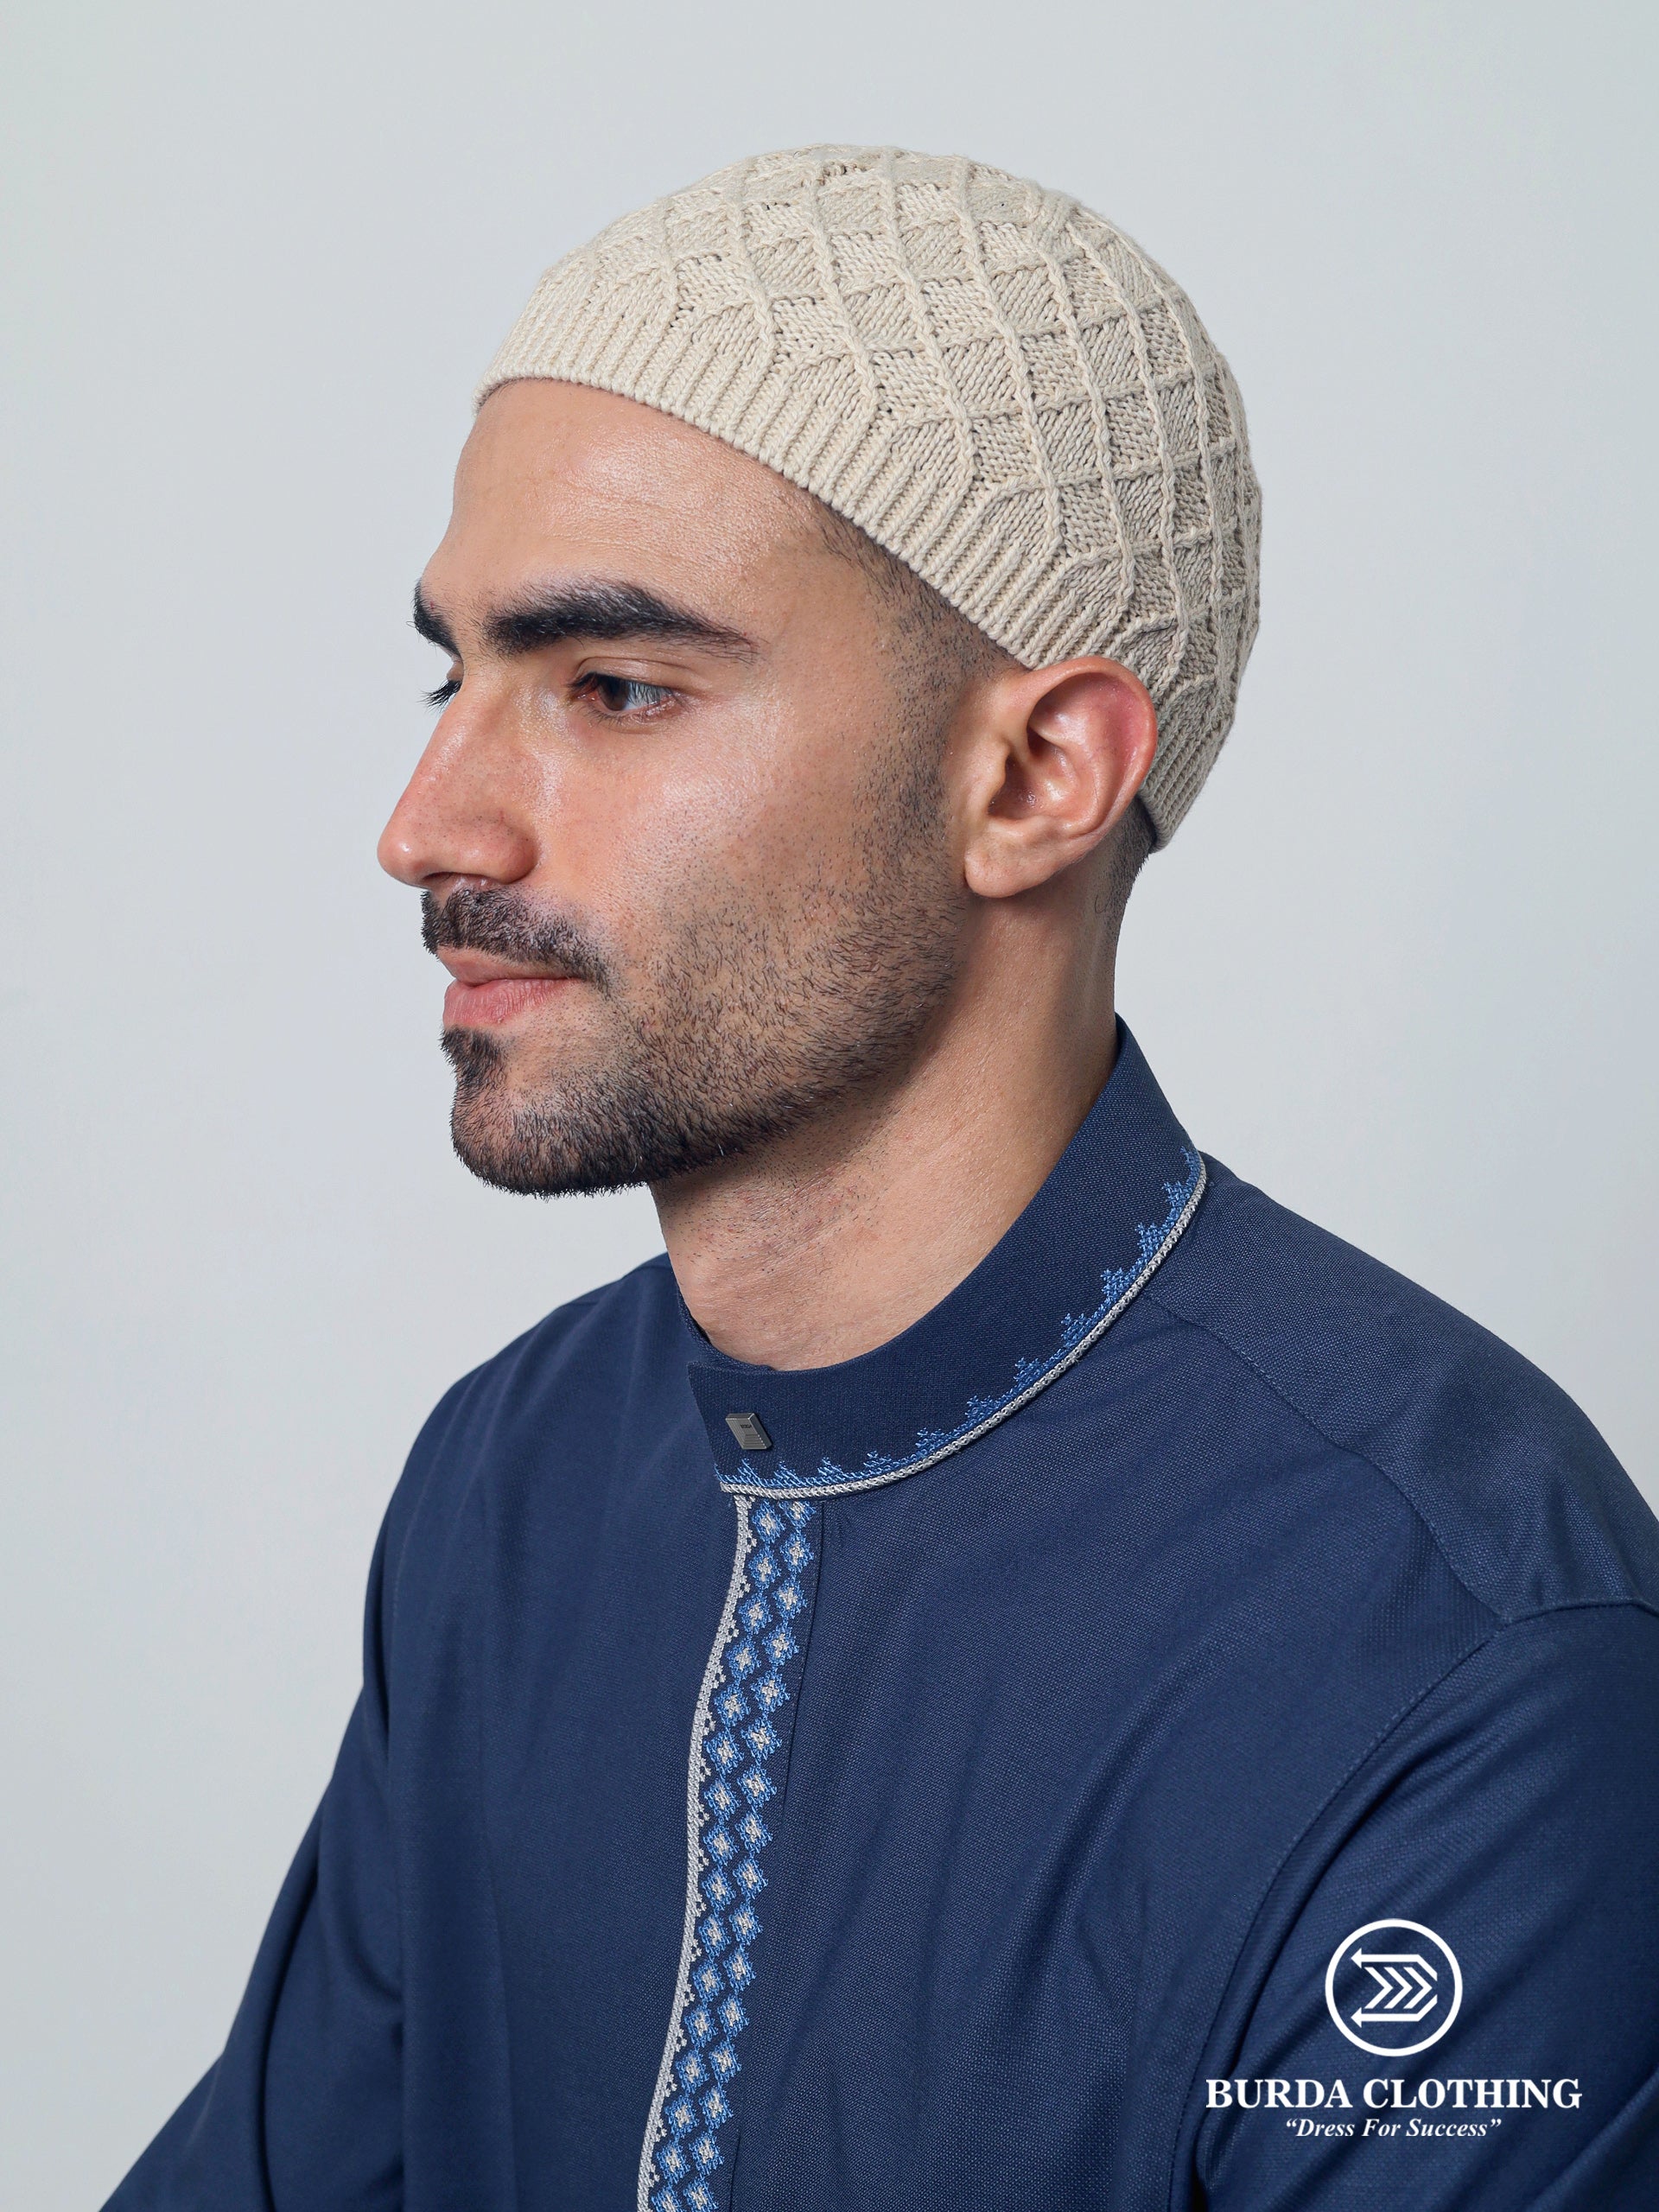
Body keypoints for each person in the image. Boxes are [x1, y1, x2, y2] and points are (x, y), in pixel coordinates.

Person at [107, 146, 1659, 2212]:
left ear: (1035, 776)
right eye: (450, 674)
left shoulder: (1463, 1647)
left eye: (614, 687)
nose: (428, 822)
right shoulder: (512, 1478)